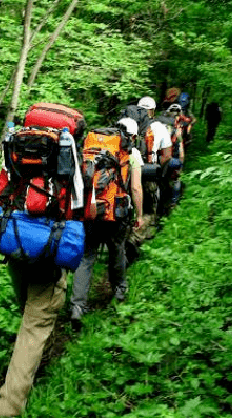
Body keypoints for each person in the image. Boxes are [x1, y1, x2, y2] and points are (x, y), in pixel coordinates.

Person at [0, 145, 69, 417]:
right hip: (47, 252)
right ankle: (8, 406)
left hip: (14, 244)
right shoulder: (68, 157)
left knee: (27, 306)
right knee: (35, 324)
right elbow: (85, 209)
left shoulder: (15, 152)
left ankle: (35, 360)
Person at [70, 117, 144, 323]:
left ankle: (77, 306)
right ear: (133, 135)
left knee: (86, 257)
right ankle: (119, 290)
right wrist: (139, 215)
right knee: (116, 250)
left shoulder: (90, 147)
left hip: (90, 210)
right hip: (116, 212)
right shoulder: (132, 153)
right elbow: (136, 187)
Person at [131, 96, 172, 246]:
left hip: (126, 172)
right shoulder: (160, 127)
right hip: (147, 174)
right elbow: (167, 155)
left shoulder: (127, 124)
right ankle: (136, 237)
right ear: (153, 111)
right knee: (149, 209)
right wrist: (155, 167)